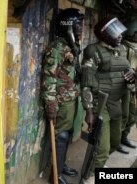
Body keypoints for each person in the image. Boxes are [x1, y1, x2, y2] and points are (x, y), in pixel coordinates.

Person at [80, 17, 135, 183]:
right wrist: (89, 111)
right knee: (101, 147)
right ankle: (88, 176)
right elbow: (86, 84)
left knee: (114, 141)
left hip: (117, 102)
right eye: (114, 33)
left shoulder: (122, 50)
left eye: (119, 32)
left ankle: (99, 165)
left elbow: (127, 74)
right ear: (104, 35)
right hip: (100, 103)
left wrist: (133, 78)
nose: (119, 36)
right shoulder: (93, 51)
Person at [42, 8, 84, 184]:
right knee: (61, 137)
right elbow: (49, 78)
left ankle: (61, 164)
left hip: (71, 98)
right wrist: (50, 105)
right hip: (60, 101)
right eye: (78, 24)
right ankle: (56, 174)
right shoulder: (57, 48)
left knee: (68, 133)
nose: (81, 27)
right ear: (68, 26)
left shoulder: (71, 46)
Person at [117, 17, 137, 154]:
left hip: (133, 87)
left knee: (132, 115)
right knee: (121, 116)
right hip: (121, 87)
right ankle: (116, 140)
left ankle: (124, 137)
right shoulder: (122, 47)